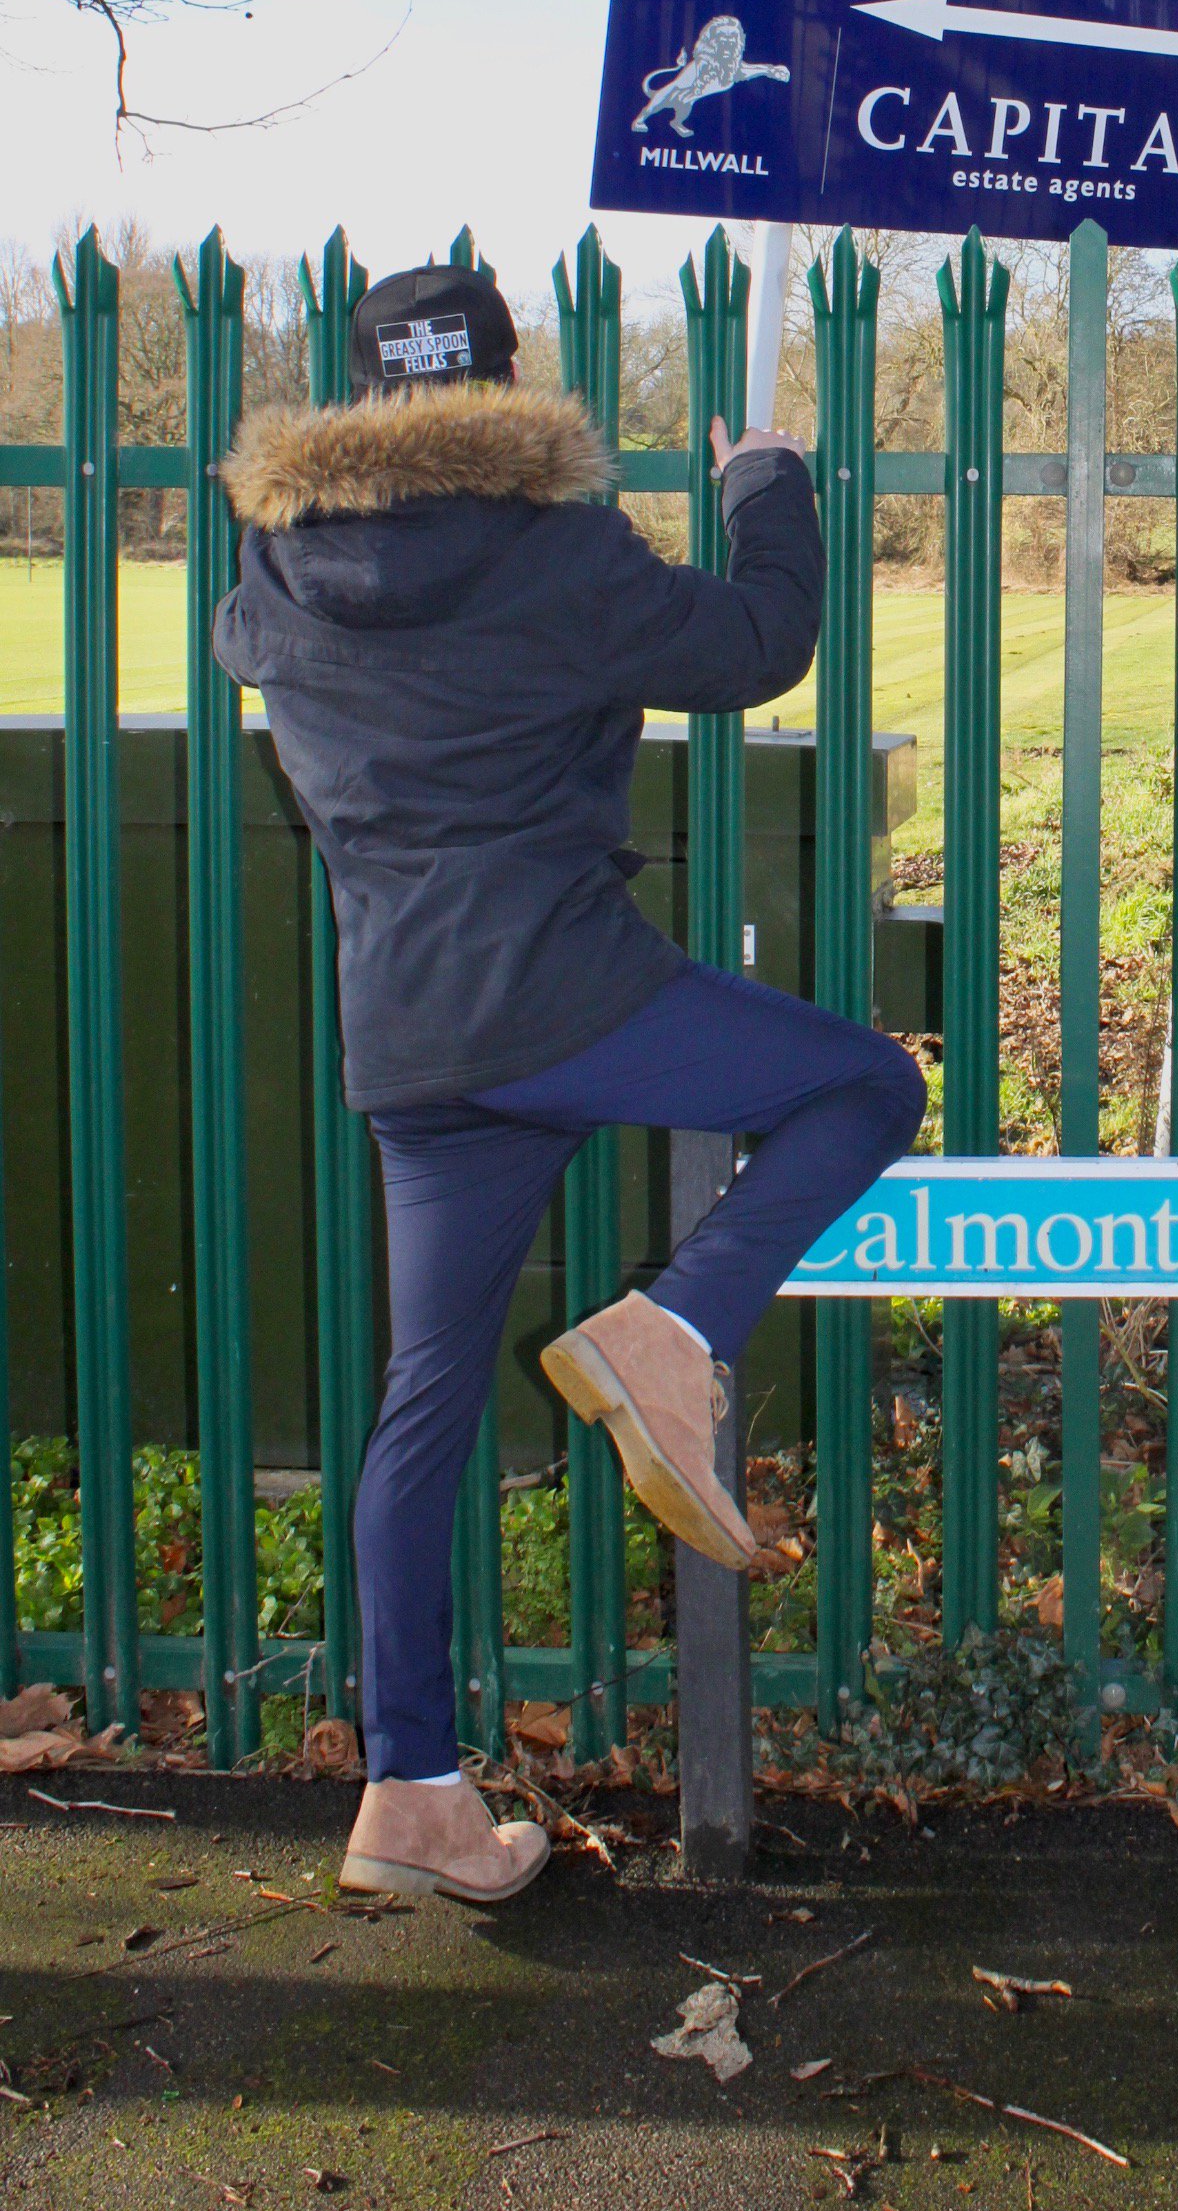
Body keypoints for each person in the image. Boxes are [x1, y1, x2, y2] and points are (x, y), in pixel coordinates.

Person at [216, 262, 926, 1903]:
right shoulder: (561, 552)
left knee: (425, 1405)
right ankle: (669, 1333)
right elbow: (761, 644)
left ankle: (408, 1794)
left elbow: (253, 646)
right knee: (865, 1089)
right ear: (507, 382)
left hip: (409, 1038)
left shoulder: (275, 573)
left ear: (360, 400)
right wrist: (768, 484)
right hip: (570, 991)